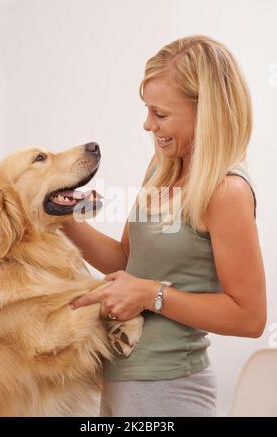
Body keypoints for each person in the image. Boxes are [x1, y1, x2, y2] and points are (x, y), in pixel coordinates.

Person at [61, 35, 266, 417]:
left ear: (207, 111)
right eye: (147, 110)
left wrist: (152, 294)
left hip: (169, 389)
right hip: (119, 375)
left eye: (160, 113)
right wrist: (64, 219)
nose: (147, 124)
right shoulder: (160, 170)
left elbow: (250, 317)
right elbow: (126, 260)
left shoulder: (227, 192)